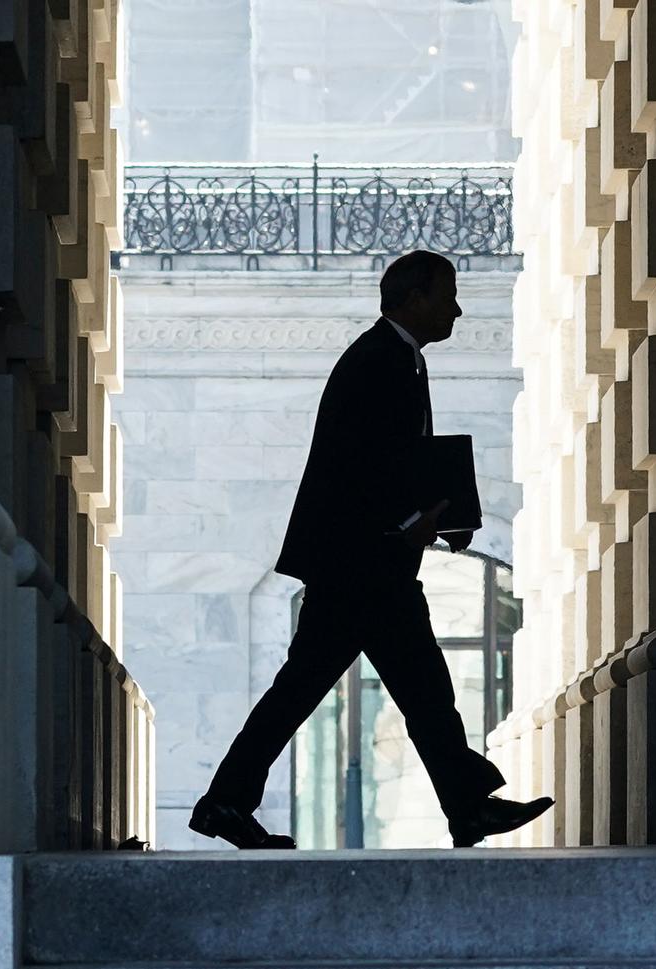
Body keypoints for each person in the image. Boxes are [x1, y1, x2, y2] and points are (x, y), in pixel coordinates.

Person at [190, 250, 553, 849]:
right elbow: (358, 464)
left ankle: (464, 806)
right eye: (448, 295)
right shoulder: (379, 360)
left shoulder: (394, 358)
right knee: (369, 689)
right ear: (415, 298)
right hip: (361, 568)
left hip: (366, 563)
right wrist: (415, 519)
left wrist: (439, 518)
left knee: (402, 687)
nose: (458, 310)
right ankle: (227, 803)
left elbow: (391, 462)